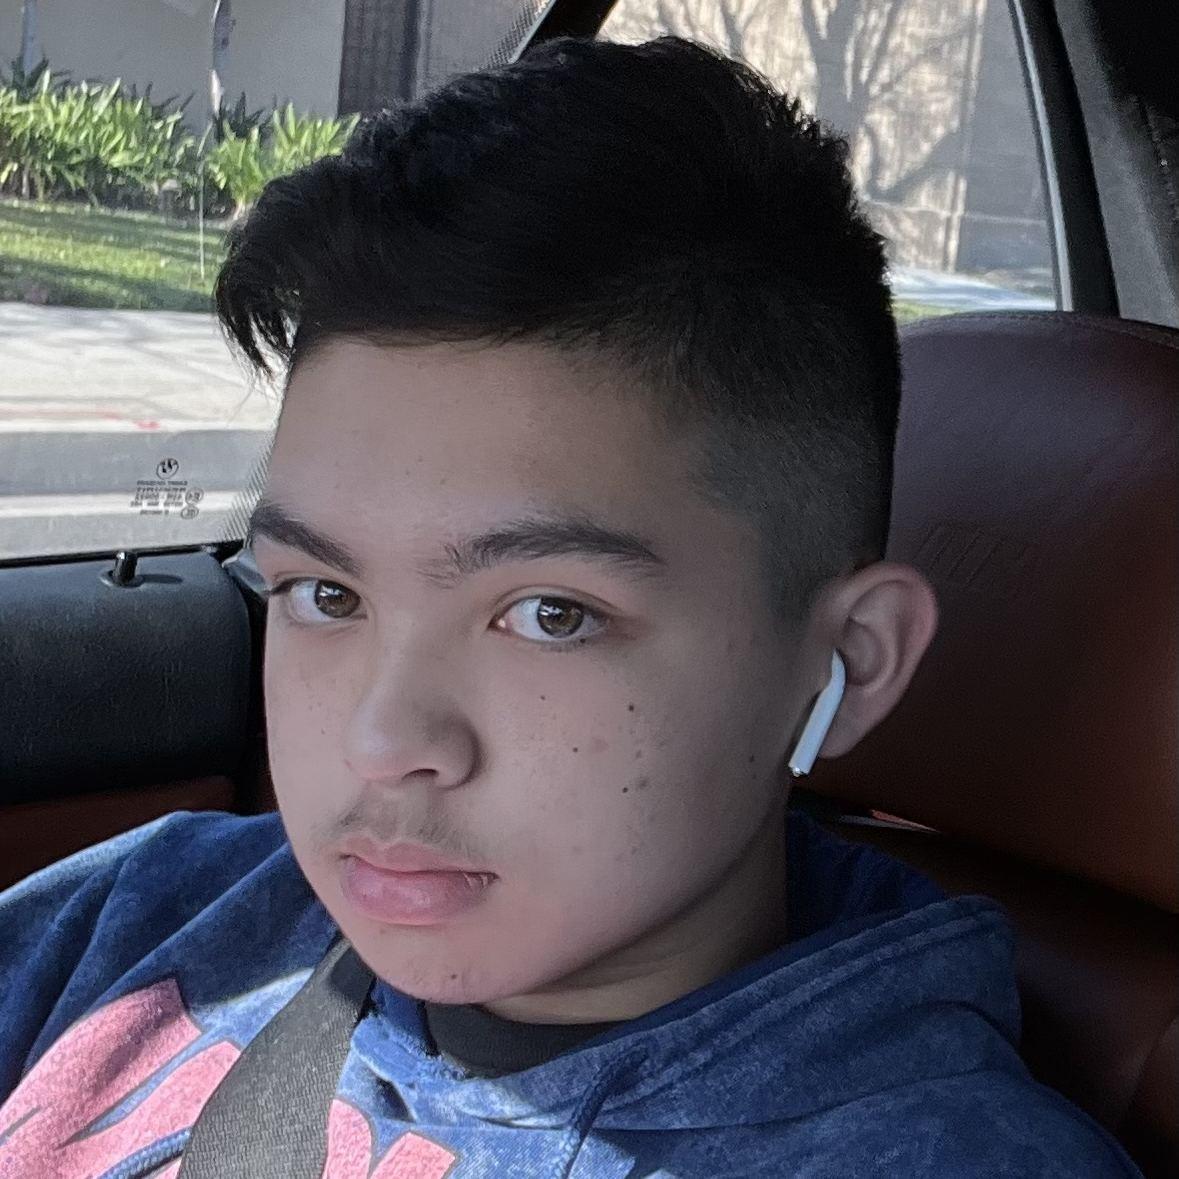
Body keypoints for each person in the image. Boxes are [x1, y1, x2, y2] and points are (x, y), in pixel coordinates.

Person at [0, 36, 1139, 1179]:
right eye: (327, 594)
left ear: (845, 659)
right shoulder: (155, 909)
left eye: (551, 614)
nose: (382, 741)